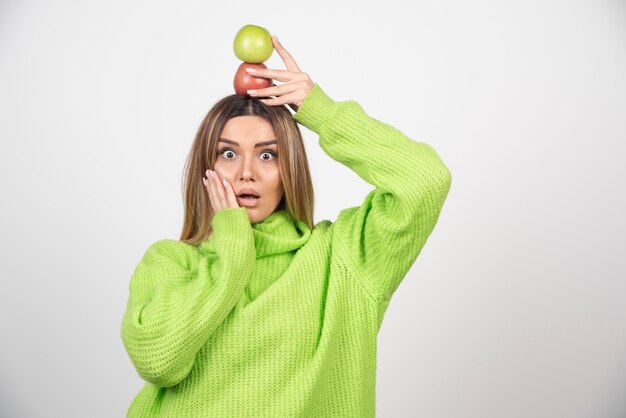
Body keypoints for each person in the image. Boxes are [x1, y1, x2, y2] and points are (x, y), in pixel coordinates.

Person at [121, 35, 452, 417]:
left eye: (267, 155)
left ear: (289, 168)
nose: (246, 173)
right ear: (206, 168)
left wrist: (321, 111)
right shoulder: (171, 262)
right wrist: (232, 248)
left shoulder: (342, 257)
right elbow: (159, 360)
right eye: (228, 153)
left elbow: (426, 180)